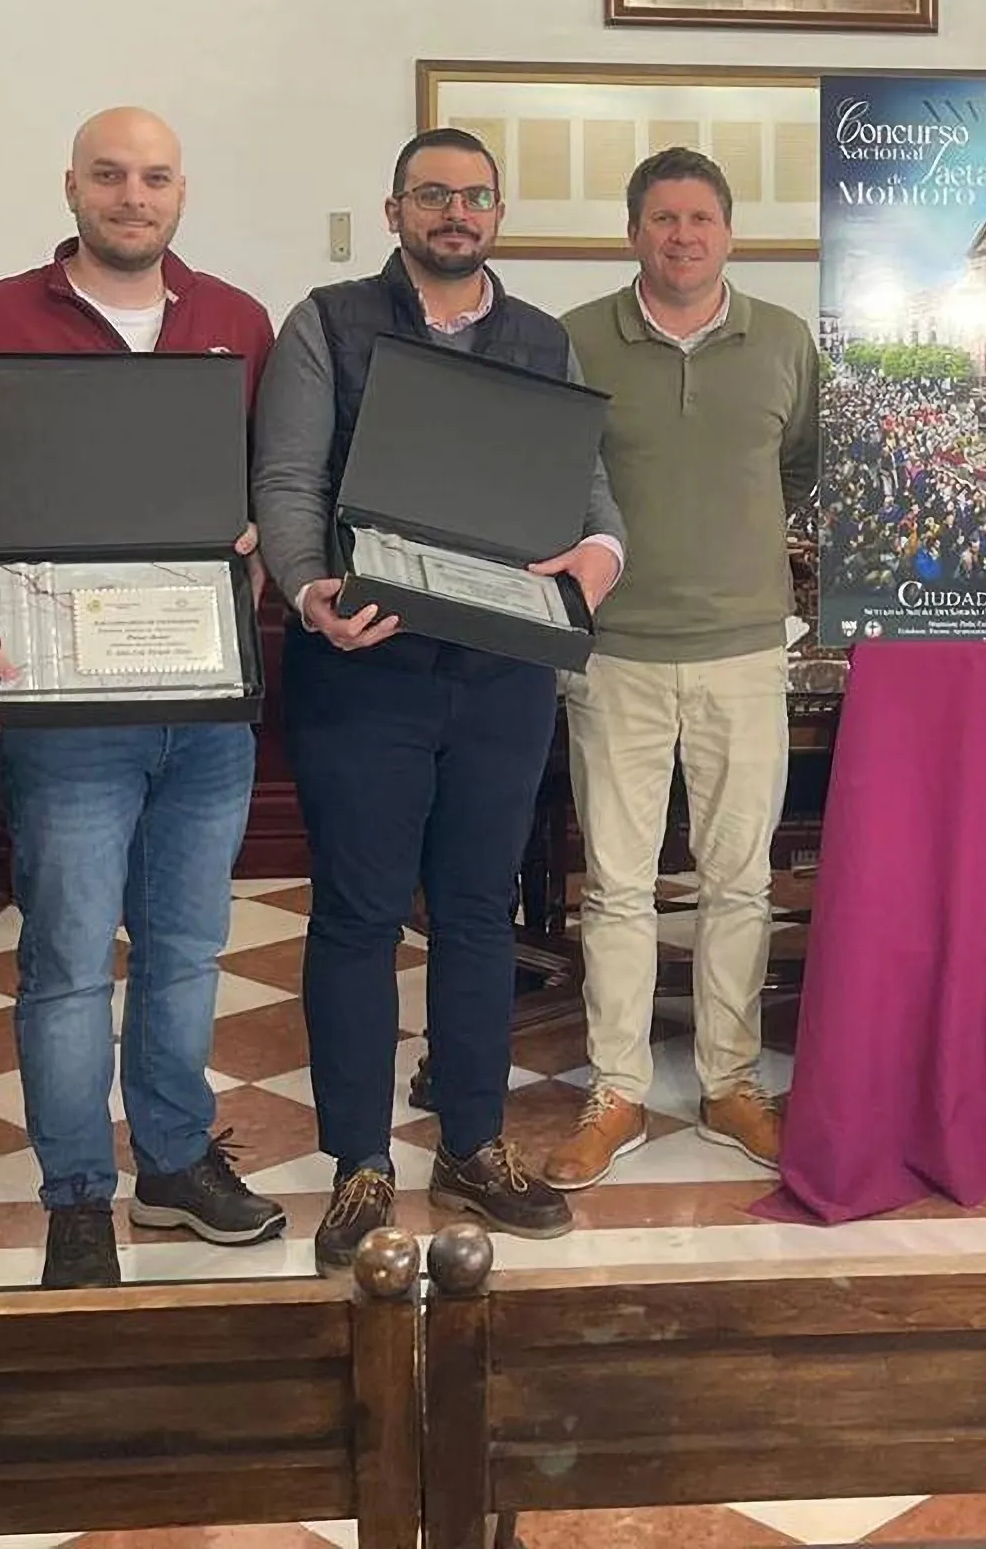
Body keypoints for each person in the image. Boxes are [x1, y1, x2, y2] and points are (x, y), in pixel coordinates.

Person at [0, 108, 282, 1289]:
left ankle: (172, 1161)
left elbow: (275, 477)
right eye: (109, 175)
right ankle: (76, 1195)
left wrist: (270, 539)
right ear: (71, 187)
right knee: (67, 959)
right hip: (62, 704)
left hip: (202, 699)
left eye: (154, 177)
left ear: (181, 192)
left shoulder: (235, 324)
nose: (132, 195)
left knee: (187, 947)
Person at [253, 127, 626, 1262]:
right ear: (394, 211)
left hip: (502, 673)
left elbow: (588, 491)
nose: (454, 214)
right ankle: (358, 1164)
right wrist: (308, 589)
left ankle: (472, 1144)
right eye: (432, 196)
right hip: (364, 664)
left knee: (477, 914)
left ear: (497, 215)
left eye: (474, 197)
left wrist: (602, 556)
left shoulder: (541, 339)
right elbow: (288, 479)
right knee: (358, 916)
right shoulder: (327, 323)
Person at [542, 148, 819, 1189]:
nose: (683, 236)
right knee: (615, 885)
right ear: (633, 234)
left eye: (701, 218)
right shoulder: (575, 340)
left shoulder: (783, 342)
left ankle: (729, 1082)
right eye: (663, 218)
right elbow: (554, 474)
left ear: (729, 233)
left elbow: (799, 467)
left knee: (738, 882)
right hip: (614, 651)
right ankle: (615, 1090)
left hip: (744, 649)